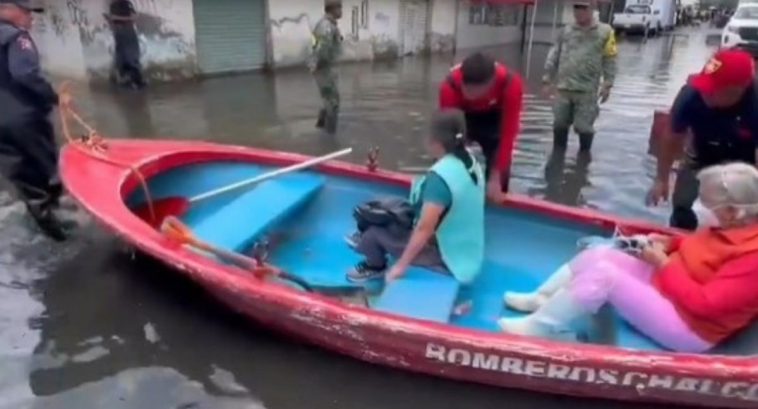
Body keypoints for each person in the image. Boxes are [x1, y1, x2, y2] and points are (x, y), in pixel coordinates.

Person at [499, 162, 758, 353]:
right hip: (668, 287)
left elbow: (704, 305)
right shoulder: (728, 226)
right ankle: (543, 299)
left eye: (705, 203)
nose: (697, 207)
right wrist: (669, 243)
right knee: (599, 254)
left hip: (689, 327)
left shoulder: (752, 259)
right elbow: (698, 245)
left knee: (606, 277)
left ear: (733, 212)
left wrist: (662, 264)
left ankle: (540, 326)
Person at [347, 109, 485, 284]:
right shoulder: (470, 160)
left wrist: (400, 267)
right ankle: (368, 238)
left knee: (373, 234)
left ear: (435, 142)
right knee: (389, 211)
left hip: (447, 256)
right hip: (466, 247)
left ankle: (375, 266)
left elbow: (424, 229)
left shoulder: (439, 179)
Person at [648, 49, 758, 231]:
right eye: (704, 85)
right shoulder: (691, 95)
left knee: (742, 215)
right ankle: (682, 234)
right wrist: (661, 178)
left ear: (736, 91)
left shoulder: (754, 104)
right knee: (682, 204)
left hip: (745, 162)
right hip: (700, 154)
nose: (704, 92)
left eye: (712, 89)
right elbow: (671, 137)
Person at [0, 0, 75, 241]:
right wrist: (54, 96)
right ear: (6, 9)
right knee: (47, 170)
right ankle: (66, 238)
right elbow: (25, 74)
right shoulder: (15, 37)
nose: (31, 18)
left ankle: (48, 231)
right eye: (26, 12)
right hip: (25, 119)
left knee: (26, 181)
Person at [439, 52, 524, 202]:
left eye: (477, 92)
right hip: (463, 116)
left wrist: (496, 176)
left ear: (491, 83)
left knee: (500, 177)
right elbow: (449, 134)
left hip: (495, 119)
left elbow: (509, 134)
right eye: (468, 90)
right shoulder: (449, 86)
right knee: (447, 167)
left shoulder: (511, 84)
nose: (471, 95)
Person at [542, 0, 617, 152]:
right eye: (576, 7)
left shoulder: (605, 32)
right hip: (564, 88)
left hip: (587, 90)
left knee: (583, 127)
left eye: (583, 7)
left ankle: (583, 162)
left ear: (592, 8)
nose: (579, 11)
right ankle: (557, 158)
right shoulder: (566, 31)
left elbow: (610, 58)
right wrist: (547, 78)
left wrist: (607, 83)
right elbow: (554, 54)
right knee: (559, 124)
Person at [309, 0, 343, 135]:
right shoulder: (326, 26)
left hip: (324, 69)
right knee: (333, 102)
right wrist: (320, 67)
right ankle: (330, 137)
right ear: (333, 9)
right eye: (339, 8)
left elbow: (318, 45)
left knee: (328, 100)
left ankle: (321, 129)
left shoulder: (327, 24)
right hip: (325, 70)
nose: (341, 11)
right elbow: (322, 50)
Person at [105, 0, 145, 89]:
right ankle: (131, 82)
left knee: (126, 57)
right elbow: (114, 18)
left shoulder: (125, 4)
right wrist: (128, 19)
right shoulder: (117, 4)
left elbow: (133, 16)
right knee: (128, 57)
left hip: (125, 30)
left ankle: (131, 82)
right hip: (124, 30)